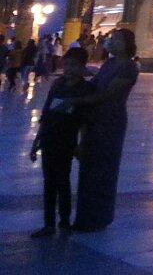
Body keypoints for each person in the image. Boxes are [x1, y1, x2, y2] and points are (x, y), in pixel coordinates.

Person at [72, 28, 140, 232]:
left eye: (116, 39)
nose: (111, 42)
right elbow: (95, 85)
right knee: (89, 167)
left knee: (104, 168)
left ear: (127, 44)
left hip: (110, 120)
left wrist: (79, 101)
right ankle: (84, 216)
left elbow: (109, 93)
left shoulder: (129, 67)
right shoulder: (109, 63)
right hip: (95, 118)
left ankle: (99, 217)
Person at [29, 46, 93, 238]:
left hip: (67, 140)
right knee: (49, 183)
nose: (68, 68)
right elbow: (46, 114)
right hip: (50, 138)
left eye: (73, 65)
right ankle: (49, 224)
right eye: (66, 64)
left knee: (63, 181)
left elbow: (85, 120)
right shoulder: (57, 85)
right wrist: (36, 141)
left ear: (82, 67)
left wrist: (81, 144)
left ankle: (64, 220)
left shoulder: (85, 89)